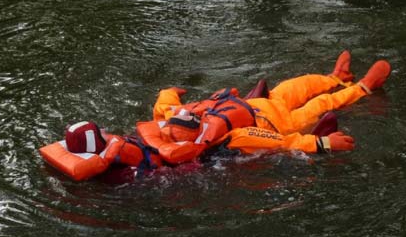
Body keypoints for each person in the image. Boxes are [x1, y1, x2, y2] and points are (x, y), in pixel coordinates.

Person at [136, 51, 391, 164]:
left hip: (260, 103)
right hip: (281, 122)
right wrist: (323, 144)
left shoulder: (172, 121)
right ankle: (364, 87)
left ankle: (336, 77)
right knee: (320, 104)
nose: (192, 111)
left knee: (297, 85)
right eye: (194, 117)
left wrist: (168, 92)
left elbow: (166, 106)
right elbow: (282, 142)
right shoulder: (236, 139)